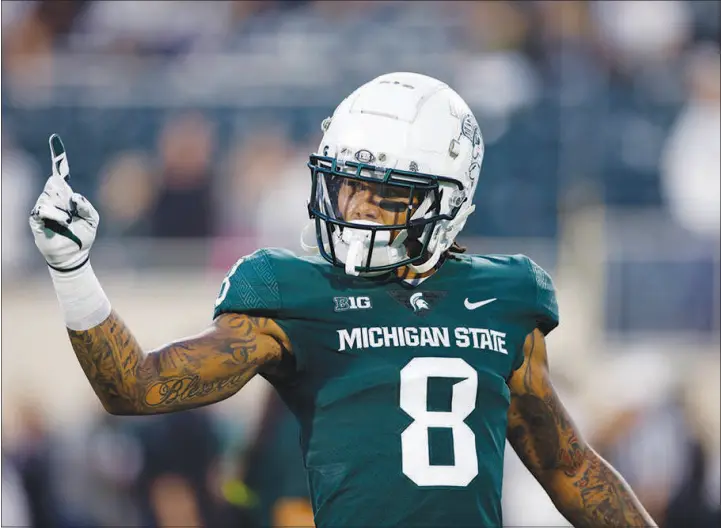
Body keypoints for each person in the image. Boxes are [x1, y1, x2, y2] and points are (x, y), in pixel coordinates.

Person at [29, 72, 656, 527]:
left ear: (448, 202)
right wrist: (73, 269)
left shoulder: (504, 296)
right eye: (347, 186)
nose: (356, 209)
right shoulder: (294, 293)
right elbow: (135, 387)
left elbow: (569, 468)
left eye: (385, 195)